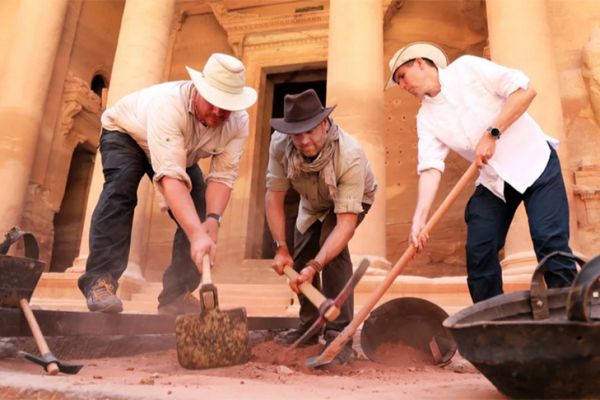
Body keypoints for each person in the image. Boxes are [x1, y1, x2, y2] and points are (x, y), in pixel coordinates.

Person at [386, 41, 577, 303]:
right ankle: (490, 329)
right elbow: (430, 167)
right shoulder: (426, 118)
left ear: (420, 63)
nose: (402, 85)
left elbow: (525, 91)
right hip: (495, 181)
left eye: (402, 77)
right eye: (398, 82)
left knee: (550, 243)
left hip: (536, 164)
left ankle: (571, 320)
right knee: (479, 249)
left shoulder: (467, 68)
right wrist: (420, 218)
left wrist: (493, 132)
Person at [78, 53, 257, 314]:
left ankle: (176, 295)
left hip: (179, 151)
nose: (219, 112)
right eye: (213, 102)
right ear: (198, 90)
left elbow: (222, 177)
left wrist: (211, 221)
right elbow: (170, 177)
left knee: (196, 211)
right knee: (121, 191)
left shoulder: (238, 122)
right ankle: (99, 281)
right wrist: (196, 235)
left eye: (226, 105)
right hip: (128, 134)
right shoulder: (169, 104)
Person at [266, 89, 377, 363]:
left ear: (325, 124)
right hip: (311, 202)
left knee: (332, 253)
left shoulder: (349, 153)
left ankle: (340, 335)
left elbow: (345, 224)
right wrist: (281, 248)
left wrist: (317, 265)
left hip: (350, 201)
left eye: (310, 131)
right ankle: (309, 326)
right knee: (300, 256)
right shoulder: (280, 145)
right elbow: (274, 196)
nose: (303, 141)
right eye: (297, 133)